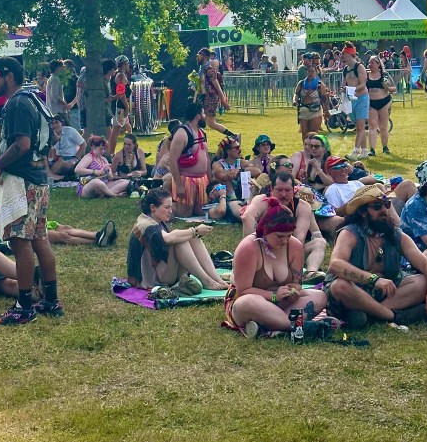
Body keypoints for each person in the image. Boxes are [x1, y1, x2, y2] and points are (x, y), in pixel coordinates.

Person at [0, 56, 62, 324]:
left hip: (22, 180)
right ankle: (50, 300)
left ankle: (25, 306)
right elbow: (53, 135)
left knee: (20, 242)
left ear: (8, 76)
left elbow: (22, 145)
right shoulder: (33, 99)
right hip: (38, 177)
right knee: (40, 239)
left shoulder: (17, 103)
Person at [324, 184, 427, 328]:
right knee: (340, 286)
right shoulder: (349, 234)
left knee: (423, 281)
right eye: (377, 207)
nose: (384, 210)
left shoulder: (397, 235)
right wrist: (374, 279)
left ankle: (370, 314)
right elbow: (335, 265)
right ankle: (394, 316)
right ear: (363, 212)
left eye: (386, 205)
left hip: (384, 294)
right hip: (353, 292)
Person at [223, 199, 328, 337]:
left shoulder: (295, 246)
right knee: (247, 302)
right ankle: (296, 326)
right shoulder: (249, 247)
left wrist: (292, 292)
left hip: (283, 304)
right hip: (253, 302)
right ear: (265, 230)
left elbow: (297, 284)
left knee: (320, 296)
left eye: (289, 236)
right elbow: (243, 290)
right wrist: (273, 296)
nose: (285, 241)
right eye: (279, 236)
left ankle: (274, 326)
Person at [126, 187, 227, 291]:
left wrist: (194, 233)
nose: (170, 211)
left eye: (171, 207)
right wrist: (195, 230)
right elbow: (168, 238)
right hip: (150, 280)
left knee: (192, 237)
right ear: (153, 207)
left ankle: (216, 279)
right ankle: (207, 281)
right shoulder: (146, 224)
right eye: (166, 207)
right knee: (181, 240)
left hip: (162, 271)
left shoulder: (155, 220)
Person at [168, 101, 211, 217]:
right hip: (186, 180)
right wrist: (179, 185)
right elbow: (172, 160)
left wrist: (210, 180)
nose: (205, 116)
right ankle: (162, 205)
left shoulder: (202, 133)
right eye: (203, 113)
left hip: (202, 180)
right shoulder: (182, 133)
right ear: (198, 116)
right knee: (185, 214)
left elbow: (206, 157)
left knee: (200, 213)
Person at [208, 136, 251, 222]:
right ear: (228, 151)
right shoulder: (218, 164)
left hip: (240, 193)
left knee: (251, 175)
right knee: (226, 180)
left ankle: (247, 198)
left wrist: (239, 170)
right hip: (225, 196)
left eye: (239, 147)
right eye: (237, 147)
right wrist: (231, 173)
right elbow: (221, 175)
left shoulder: (241, 162)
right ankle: (234, 198)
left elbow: (257, 171)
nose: (240, 150)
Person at [341, 42, 369, 159]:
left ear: (349, 55)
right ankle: (364, 151)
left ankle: (355, 152)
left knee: (360, 127)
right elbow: (343, 85)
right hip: (351, 100)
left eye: (343, 54)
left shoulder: (359, 67)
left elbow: (363, 85)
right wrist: (342, 95)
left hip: (361, 98)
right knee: (358, 126)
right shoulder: (345, 69)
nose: (342, 57)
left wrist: (350, 90)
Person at [195, 47, 232, 134]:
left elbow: (217, 87)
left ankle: (233, 135)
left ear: (205, 56)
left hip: (210, 98)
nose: (197, 57)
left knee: (211, 123)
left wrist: (223, 101)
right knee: (198, 119)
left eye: (199, 55)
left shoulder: (209, 70)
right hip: (203, 97)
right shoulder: (202, 70)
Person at [366, 54, 396, 156]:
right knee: (372, 126)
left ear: (378, 64)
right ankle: (372, 150)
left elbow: (394, 88)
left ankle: (385, 147)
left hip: (384, 102)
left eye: (372, 62)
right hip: (371, 103)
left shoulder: (384, 75)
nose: (370, 64)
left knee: (383, 127)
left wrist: (387, 88)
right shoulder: (366, 75)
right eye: (369, 62)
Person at [293, 64, 328, 139]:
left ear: (316, 72)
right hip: (303, 110)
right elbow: (296, 94)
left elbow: (324, 98)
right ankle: (305, 146)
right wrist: (295, 100)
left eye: (313, 71)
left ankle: (313, 146)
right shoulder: (301, 83)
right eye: (309, 71)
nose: (311, 73)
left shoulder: (319, 84)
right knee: (304, 133)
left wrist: (326, 111)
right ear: (306, 72)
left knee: (313, 133)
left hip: (316, 110)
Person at [47, 114, 87, 179]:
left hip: (71, 158)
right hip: (57, 159)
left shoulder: (70, 131)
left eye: (56, 122)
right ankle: (61, 176)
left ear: (61, 123)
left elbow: (83, 144)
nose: (54, 125)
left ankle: (53, 176)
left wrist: (76, 158)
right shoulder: (51, 134)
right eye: (52, 123)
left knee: (61, 164)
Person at [108, 55, 133, 154]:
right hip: (119, 106)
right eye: (128, 63)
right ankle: (110, 153)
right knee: (115, 132)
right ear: (124, 64)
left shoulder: (117, 75)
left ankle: (133, 149)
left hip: (119, 105)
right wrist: (126, 107)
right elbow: (120, 94)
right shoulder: (120, 76)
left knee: (128, 127)